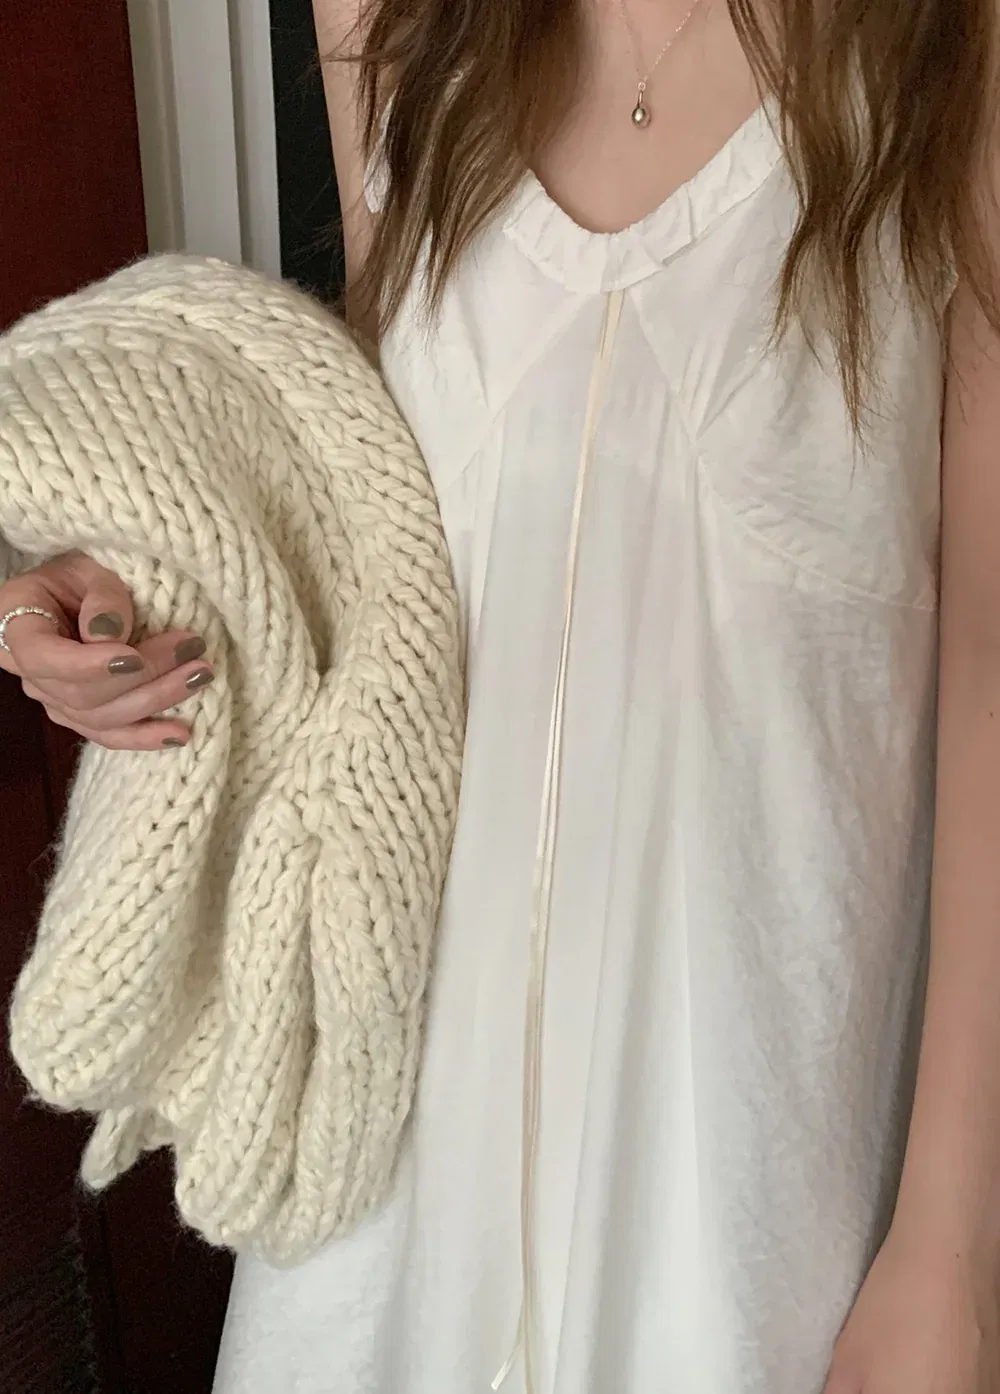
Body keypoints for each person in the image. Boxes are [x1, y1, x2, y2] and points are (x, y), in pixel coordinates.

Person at [3, 0, 1000, 1390]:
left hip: (755, 1150)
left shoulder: (955, 49)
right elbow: (373, 514)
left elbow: (988, 658)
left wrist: (953, 1248)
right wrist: (143, 578)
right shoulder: (388, 18)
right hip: (400, 1134)